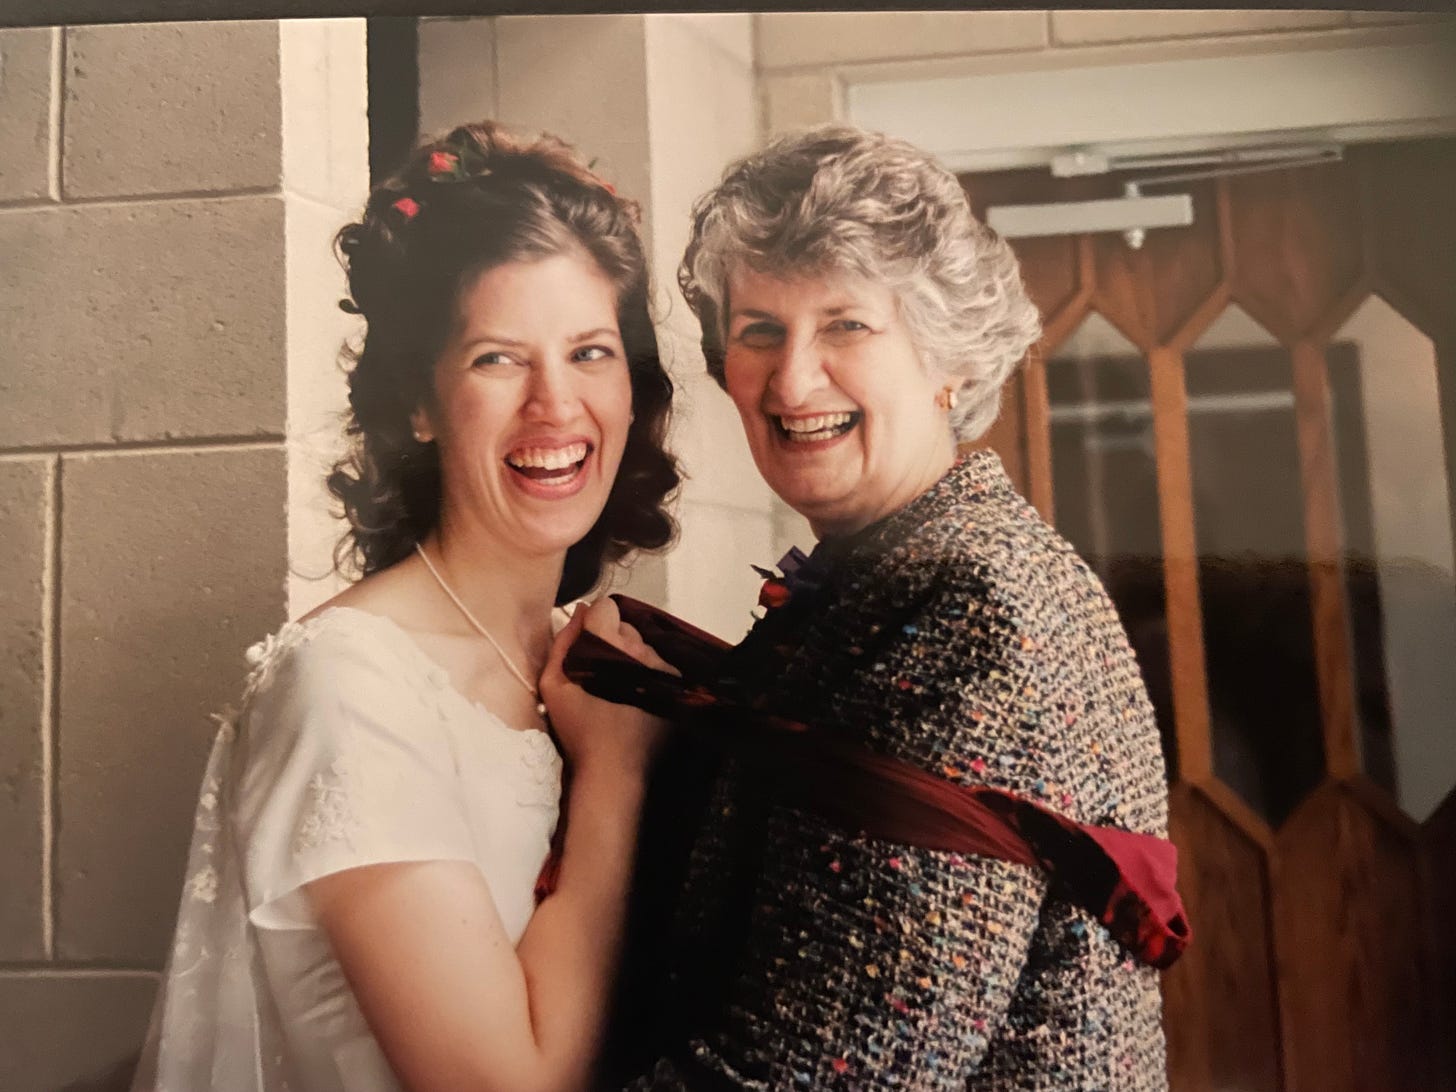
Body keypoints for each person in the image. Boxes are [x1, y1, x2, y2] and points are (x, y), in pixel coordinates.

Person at [581, 125, 1181, 1091]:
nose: (791, 379)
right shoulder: (897, 565)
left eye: (846, 325)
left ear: (946, 354)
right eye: (759, 331)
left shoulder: (970, 598)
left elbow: (844, 1070)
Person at [132, 120, 680, 1092]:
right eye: (498, 359)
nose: (556, 405)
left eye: (590, 352)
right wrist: (618, 777)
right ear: (418, 405)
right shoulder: (348, 687)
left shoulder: (569, 655)